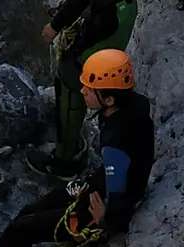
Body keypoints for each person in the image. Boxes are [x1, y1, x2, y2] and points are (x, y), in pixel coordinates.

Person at [0, 49, 152, 247]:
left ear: (109, 99)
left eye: (89, 89)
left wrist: (107, 219)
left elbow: (118, 181)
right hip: (98, 185)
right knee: (31, 208)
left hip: (102, 201)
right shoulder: (134, 105)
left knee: (24, 228)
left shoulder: (115, 139)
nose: (83, 91)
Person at [34, 0, 138, 176]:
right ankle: (73, 139)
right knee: (87, 81)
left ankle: (63, 162)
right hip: (118, 17)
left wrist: (55, 26)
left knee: (70, 84)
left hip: (105, 27)